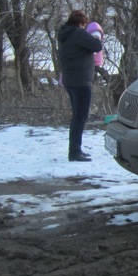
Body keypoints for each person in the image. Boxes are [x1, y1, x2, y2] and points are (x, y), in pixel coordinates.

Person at [57, 10, 103, 162]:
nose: (84, 27)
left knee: (77, 116)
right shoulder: (78, 34)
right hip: (81, 81)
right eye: (84, 25)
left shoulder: (65, 35)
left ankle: (75, 150)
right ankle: (75, 152)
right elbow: (96, 46)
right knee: (80, 117)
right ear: (81, 23)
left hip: (70, 80)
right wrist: (96, 34)